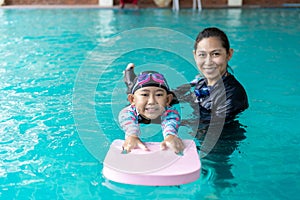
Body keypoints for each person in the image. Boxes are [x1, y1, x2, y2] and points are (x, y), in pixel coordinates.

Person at [119, 63, 184, 154]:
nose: (152, 101)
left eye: (159, 95)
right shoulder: (129, 111)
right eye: (145, 95)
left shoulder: (170, 111)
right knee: (130, 85)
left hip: (165, 102)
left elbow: (171, 122)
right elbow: (128, 123)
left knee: (180, 94)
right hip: (137, 100)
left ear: (167, 100)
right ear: (132, 99)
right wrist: (132, 136)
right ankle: (128, 73)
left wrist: (170, 136)